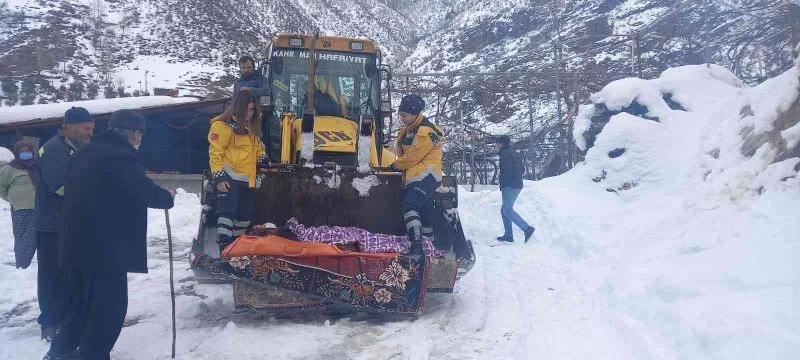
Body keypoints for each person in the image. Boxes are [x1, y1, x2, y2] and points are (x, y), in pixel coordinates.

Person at [45, 109, 175, 360]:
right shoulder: (121, 156)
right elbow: (141, 190)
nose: (139, 141)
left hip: (76, 245)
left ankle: (59, 352)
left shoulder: (86, 151)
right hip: (104, 251)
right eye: (140, 135)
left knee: (82, 306)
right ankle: (92, 356)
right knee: (109, 309)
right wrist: (166, 197)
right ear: (134, 134)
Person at [35, 107, 95, 340]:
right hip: (52, 225)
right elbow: (61, 186)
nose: (90, 133)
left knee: (71, 274)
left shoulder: (78, 148)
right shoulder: (53, 150)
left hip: (71, 223)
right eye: (86, 129)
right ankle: (50, 322)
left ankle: (69, 318)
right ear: (69, 126)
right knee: (53, 275)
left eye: (92, 129)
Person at [208, 89, 267, 253]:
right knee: (227, 214)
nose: (250, 113)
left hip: (247, 180)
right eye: (247, 109)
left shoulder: (251, 128)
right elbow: (215, 152)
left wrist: (262, 157)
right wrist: (219, 178)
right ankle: (224, 249)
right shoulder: (221, 126)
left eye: (252, 110)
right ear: (238, 108)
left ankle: (236, 249)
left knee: (244, 217)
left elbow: (258, 147)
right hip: (229, 179)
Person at [387, 94, 444, 257]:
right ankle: (429, 245)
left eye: (405, 115)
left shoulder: (424, 132)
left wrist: (394, 166)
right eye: (401, 115)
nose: (402, 119)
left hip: (425, 176)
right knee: (425, 213)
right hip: (418, 176)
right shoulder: (411, 130)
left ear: (414, 114)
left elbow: (412, 157)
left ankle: (417, 247)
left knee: (409, 206)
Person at [0, 141, 38, 269]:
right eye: (22, 151)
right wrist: (12, 198)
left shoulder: (36, 166)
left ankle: (33, 265)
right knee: (23, 237)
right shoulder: (10, 168)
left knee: (37, 235)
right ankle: (22, 264)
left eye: (28, 151)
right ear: (17, 153)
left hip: (38, 207)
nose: (25, 154)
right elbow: (1, 187)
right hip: (21, 208)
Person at [495, 135, 535, 243]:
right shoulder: (515, 154)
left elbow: (506, 171)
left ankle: (527, 229)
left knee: (507, 210)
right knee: (504, 210)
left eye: (497, 143)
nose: (496, 145)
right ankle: (508, 235)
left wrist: (504, 183)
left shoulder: (504, 155)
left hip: (510, 186)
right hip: (517, 185)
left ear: (502, 144)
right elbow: (522, 169)